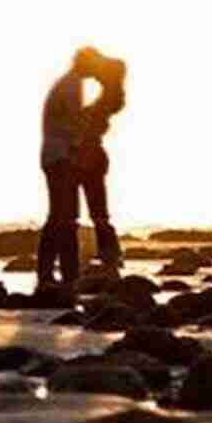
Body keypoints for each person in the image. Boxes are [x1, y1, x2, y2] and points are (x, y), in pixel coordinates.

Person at [36, 47, 125, 293]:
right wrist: (79, 148)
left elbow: (77, 125)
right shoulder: (72, 87)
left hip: (65, 156)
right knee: (66, 218)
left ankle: (62, 275)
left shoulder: (73, 86)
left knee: (65, 218)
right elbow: (75, 126)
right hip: (63, 157)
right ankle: (65, 275)